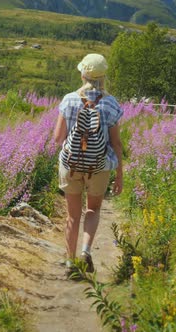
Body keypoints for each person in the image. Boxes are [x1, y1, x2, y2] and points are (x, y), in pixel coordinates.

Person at [53, 53, 124, 276]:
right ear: (104, 77)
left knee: (72, 216)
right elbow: (116, 143)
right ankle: (86, 251)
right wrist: (119, 173)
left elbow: (57, 138)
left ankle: (69, 262)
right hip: (99, 166)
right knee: (93, 209)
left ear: (83, 74)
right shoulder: (111, 104)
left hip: (71, 164)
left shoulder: (69, 99)